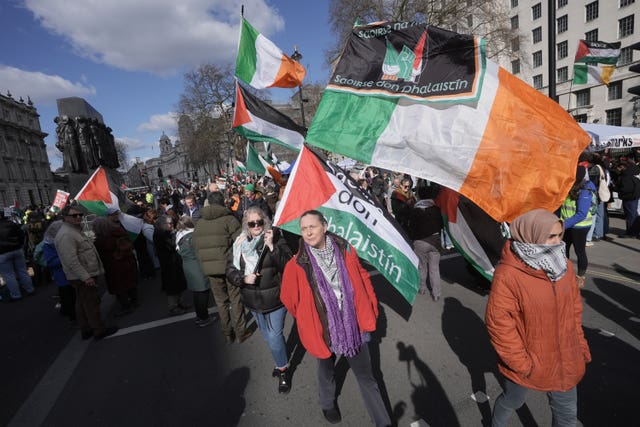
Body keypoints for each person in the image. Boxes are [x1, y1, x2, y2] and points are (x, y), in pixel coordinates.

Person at [281, 210, 391, 426]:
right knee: (326, 369)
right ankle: (327, 403)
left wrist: (370, 307)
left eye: (312, 226)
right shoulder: (296, 264)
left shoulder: (346, 249)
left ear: (324, 226)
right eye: (303, 229)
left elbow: (363, 277)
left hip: (353, 326)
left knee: (366, 377)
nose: (308, 232)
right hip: (322, 328)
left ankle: (383, 422)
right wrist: (307, 319)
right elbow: (290, 299)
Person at [485, 209, 591, 426]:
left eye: (560, 235)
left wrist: (580, 345)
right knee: (513, 400)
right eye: (551, 236)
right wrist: (523, 364)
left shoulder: (565, 265)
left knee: (567, 416)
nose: (558, 242)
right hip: (530, 360)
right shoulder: (509, 273)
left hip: (567, 359)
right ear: (530, 234)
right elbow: (499, 324)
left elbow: (574, 310)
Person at [226, 207, 293, 393]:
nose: (256, 226)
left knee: (274, 337)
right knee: (267, 336)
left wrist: (272, 247)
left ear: (265, 222)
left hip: (275, 299)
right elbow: (230, 270)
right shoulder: (239, 242)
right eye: (252, 223)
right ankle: (279, 361)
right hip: (252, 300)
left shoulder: (275, 238)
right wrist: (243, 279)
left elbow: (289, 265)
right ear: (246, 225)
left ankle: (283, 369)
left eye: (259, 222)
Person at [193, 191, 251, 343]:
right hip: (229, 267)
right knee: (235, 299)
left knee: (221, 302)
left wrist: (204, 266)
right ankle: (241, 332)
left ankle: (227, 333)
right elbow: (241, 242)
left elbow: (196, 247)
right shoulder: (229, 220)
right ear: (223, 202)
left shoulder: (200, 223)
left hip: (211, 269)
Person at [54, 204, 117, 340]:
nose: (78, 217)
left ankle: (86, 329)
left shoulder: (73, 230)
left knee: (82, 302)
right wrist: (85, 277)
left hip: (83, 273)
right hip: (83, 275)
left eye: (80, 215)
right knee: (91, 303)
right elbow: (71, 260)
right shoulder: (66, 234)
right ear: (65, 218)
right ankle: (98, 330)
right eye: (74, 215)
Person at [92, 210, 139, 316]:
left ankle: (126, 306)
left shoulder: (101, 240)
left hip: (113, 265)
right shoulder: (120, 232)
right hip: (127, 260)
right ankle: (135, 301)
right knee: (130, 282)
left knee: (118, 287)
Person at [559, 166, 597, 288]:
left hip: (580, 226)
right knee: (563, 251)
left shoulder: (585, 190)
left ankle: (580, 277)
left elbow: (581, 214)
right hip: (567, 224)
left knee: (579, 251)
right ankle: (565, 275)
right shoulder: (570, 185)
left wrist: (563, 225)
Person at [176, 216, 215, 327]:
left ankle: (200, 316)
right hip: (197, 267)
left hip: (188, 266)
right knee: (203, 293)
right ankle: (204, 317)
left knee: (197, 293)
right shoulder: (193, 236)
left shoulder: (179, 235)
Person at [406, 186, 443, 300]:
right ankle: (436, 293)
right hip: (435, 240)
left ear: (419, 195)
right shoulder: (436, 209)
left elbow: (411, 227)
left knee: (421, 266)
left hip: (420, 241)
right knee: (434, 268)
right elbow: (441, 225)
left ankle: (422, 288)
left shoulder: (416, 210)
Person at [153, 214, 189, 315]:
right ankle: (173, 306)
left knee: (178, 283)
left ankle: (180, 302)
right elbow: (172, 244)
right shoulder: (160, 234)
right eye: (169, 224)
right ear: (163, 224)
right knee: (172, 285)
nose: (171, 225)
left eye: (172, 223)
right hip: (168, 263)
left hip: (174, 262)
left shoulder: (165, 232)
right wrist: (174, 235)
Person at [42, 220, 76, 323]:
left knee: (75, 296)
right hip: (63, 277)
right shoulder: (48, 244)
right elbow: (51, 262)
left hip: (73, 273)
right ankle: (73, 318)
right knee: (68, 298)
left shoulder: (67, 238)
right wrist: (65, 257)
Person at [0, 210, 35, 301]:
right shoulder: (12, 224)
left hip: (3, 254)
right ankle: (30, 289)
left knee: (9, 275)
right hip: (17, 250)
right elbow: (21, 235)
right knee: (22, 271)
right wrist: (19, 245)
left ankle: (16, 295)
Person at [613, 158, 640, 238]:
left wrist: (616, 188)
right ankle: (635, 231)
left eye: (619, 167)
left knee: (630, 215)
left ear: (623, 166)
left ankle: (631, 233)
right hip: (634, 196)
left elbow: (626, 188)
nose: (618, 169)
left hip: (629, 197)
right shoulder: (634, 171)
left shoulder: (626, 175)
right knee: (634, 214)